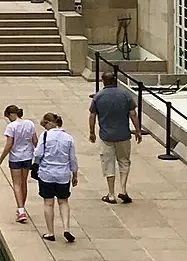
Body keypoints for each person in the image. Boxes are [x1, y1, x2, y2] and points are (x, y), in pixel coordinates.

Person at [89, 64, 142, 204]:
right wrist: (137, 131)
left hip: (106, 136)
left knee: (108, 163)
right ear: (115, 81)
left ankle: (111, 193)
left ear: (103, 81)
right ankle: (123, 189)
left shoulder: (98, 97)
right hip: (123, 134)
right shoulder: (125, 95)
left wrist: (91, 132)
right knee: (124, 161)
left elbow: (92, 115)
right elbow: (133, 114)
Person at [33, 111, 79, 242]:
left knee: (48, 203)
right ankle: (66, 228)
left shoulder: (45, 136)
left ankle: (50, 232)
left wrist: (35, 165)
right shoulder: (68, 138)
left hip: (47, 173)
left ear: (49, 123)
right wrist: (74, 174)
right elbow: (72, 159)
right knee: (63, 201)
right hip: (63, 174)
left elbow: (38, 153)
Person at [0, 103, 38, 223]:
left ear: (11, 114)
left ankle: (21, 210)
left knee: (17, 184)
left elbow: (9, 144)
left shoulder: (11, 127)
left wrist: (0, 160)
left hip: (15, 158)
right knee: (24, 183)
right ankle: (22, 207)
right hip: (28, 156)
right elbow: (35, 141)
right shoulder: (30, 124)